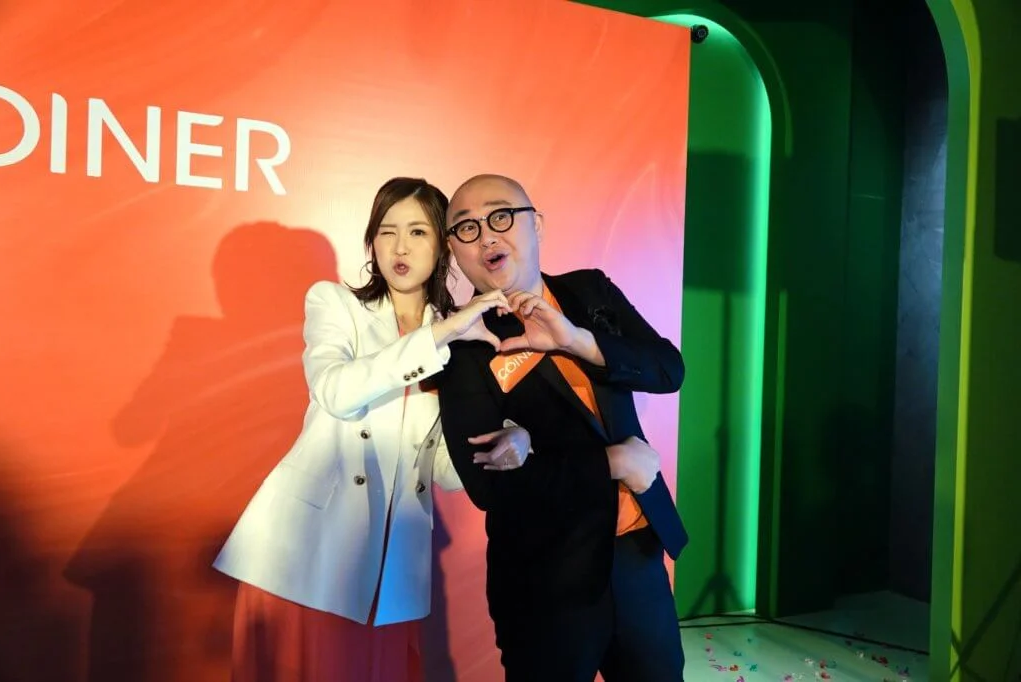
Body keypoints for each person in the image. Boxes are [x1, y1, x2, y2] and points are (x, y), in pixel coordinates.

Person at [212, 177, 528, 682]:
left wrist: (512, 436)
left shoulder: (463, 335)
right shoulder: (336, 303)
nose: (400, 247)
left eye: (418, 232)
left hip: (390, 567)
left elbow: (444, 470)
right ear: (371, 241)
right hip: (309, 555)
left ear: (443, 245)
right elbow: (335, 391)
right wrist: (440, 333)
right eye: (387, 231)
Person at [436, 174, 690, 682]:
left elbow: (668, 370)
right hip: (546, 579)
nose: (485, 236)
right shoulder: (463, 347)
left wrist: (577, 341)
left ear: (537, 226)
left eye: (500, 216)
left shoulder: (589, 292)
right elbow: (490, 487)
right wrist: (612, 463)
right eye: (466, 227)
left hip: (636, 554)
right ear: (454, 251)